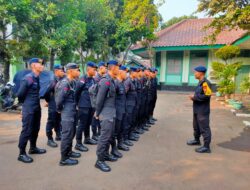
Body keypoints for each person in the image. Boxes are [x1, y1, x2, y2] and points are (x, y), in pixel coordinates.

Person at [17, 58, 46, 163]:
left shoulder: (37, 77)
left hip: (36, 107)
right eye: (40, 64)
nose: (42, 66)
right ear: (33, 65)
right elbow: (20, 94)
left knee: (35, 128)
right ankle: (21, 153)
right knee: (27, 130)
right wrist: (23, 107)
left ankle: (33, 148)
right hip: (29, 108)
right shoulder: (28, 78)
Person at [95, 60, 119, 172]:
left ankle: (105, 155)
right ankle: (99, 161)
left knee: (109, 136)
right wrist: (97, 113)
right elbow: (99, 99)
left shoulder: (112, 80)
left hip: (111, 112)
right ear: (113, 68)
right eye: (118, 68)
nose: (119, 70)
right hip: (105, 113)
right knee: (104, 137)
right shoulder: (105, 81)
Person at [55, 63, 81, 166]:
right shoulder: (65, 83)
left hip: (72, 110)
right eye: (76, 70)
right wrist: (59, 109)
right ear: (70, 71)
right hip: (67, 112)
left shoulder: (73, 82)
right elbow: (59, 100)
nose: (78, 72)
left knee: (71, 132)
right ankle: (64, 158)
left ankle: (69, 152)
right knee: (67, 134)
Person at [187, 66, 212, 153]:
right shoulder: (200, 82)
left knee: (204, 128)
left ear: (201, 73)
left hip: (202, 110)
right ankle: (196, 140)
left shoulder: (205, 83)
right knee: (196, 126)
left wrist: (194, 97)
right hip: (197, 109)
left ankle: (206, 147)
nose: (195, 74)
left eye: (196, 72)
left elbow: (207, 95)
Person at [75, 61, 98, 153]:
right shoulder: (82, 79)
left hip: (91, 106)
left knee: (88, 123)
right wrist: (77, 105)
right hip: (83, 106)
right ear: (89, 69)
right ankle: (78, 143)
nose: (95, 71)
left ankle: (87, 138)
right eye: (94, 69)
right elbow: (76, 93)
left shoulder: (93, 79)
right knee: (82, 124)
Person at [45, 64, 65, 148]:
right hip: (53, 103)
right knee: (51, 121)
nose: (63, 72)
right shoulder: (52, 80)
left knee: (58, 119)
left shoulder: (61, 79)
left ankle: (58, 135)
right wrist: (48, 101)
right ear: (56, 71)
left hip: (58, 103)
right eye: (61, 71)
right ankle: (49, 139)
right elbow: (46, 92)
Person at [111, 65, 129, 156]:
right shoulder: (115, 83)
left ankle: (120, 144)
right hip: (117, 111)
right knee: (115, 131)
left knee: (121, 128)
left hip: (122, 110)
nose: (127, 74)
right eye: (125, 72)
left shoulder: (122, 82)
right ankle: (113, 149)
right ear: (120, 72)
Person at [91, 61, 107, 140]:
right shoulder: (96, 78)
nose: (106, 69)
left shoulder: (102, 77)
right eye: (105, 67)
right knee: (95, 119)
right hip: (96, 101)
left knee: (100, 118)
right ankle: (94, 134)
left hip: (100, 101)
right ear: (101, 68)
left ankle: (99, 133)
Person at [123, 67, 138, 146]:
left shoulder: (133, 80)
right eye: (136, 72)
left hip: (133, 104)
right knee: (127, 121)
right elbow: (124, 94)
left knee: (131, 120)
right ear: (132, 73)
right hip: (128, 105)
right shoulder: (128, 81)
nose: (137, 73)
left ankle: (130, 134)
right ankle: (125, 138)